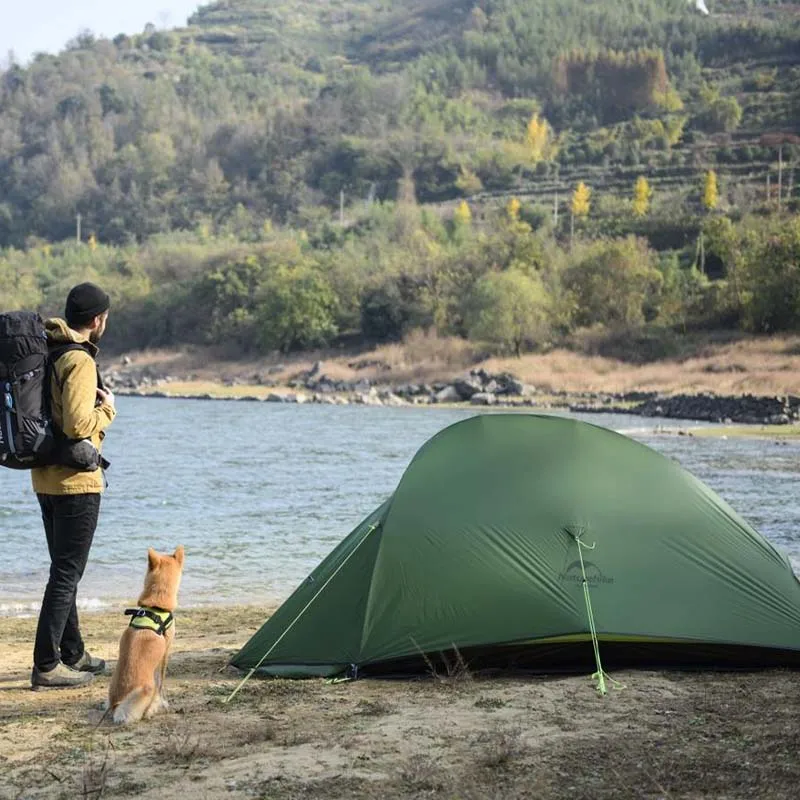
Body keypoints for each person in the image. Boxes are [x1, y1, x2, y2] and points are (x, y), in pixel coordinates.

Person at [30, 282, 117, 690]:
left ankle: (73, 652)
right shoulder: (79, 361)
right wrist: (108, 410)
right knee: (67, 572)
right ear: (98, 320)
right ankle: (47, 665)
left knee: (65, 570)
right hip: (76, 484)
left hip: (44, 478)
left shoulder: (48, 352)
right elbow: (78, 426)